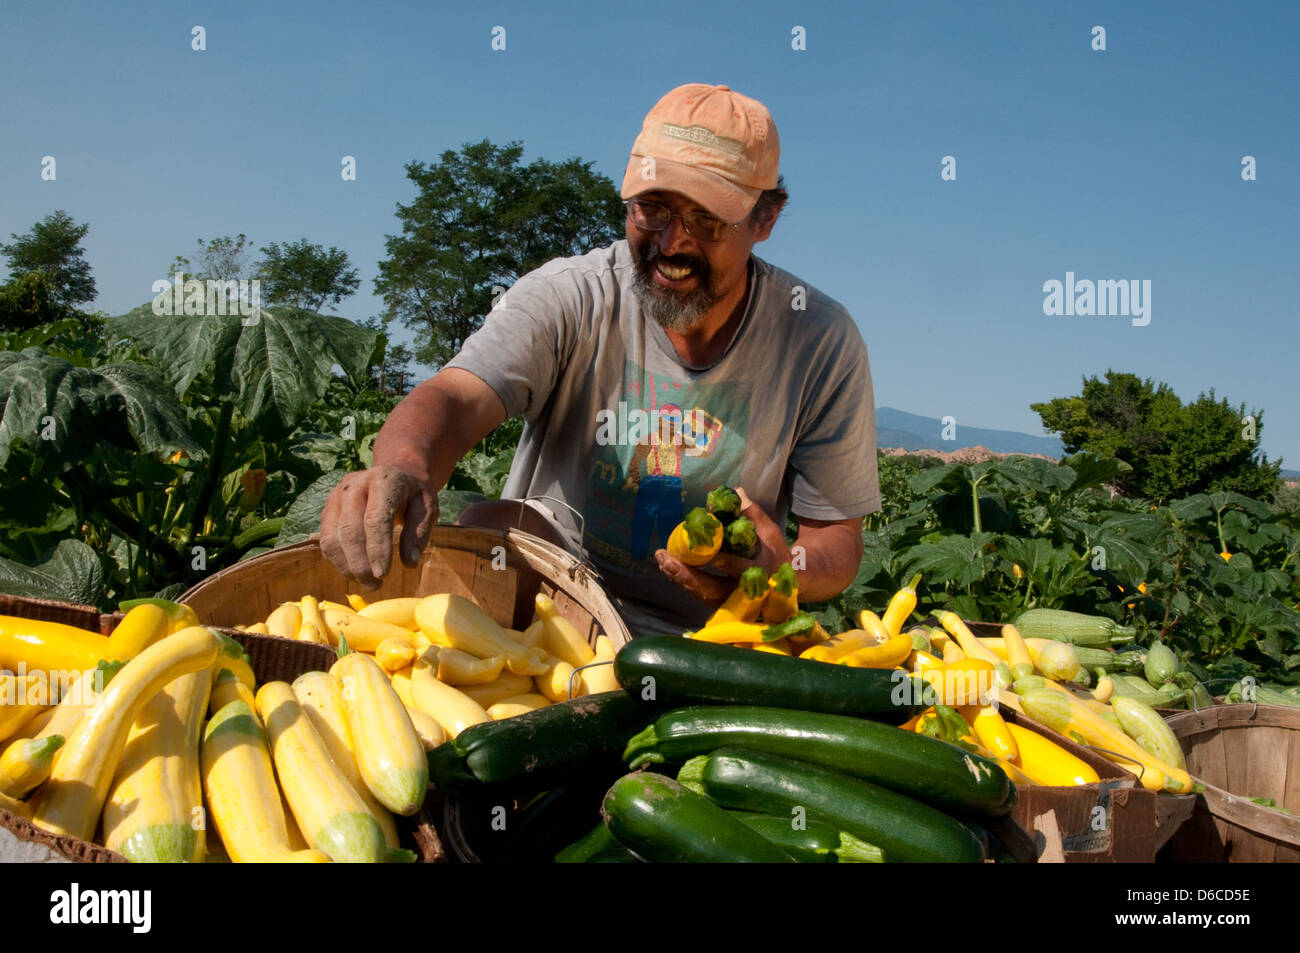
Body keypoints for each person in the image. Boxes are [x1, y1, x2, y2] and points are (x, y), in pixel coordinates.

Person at [318, 83, 881, 636]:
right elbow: (456, 397)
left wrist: (788, 571)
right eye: (652, 209)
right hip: (547, 614)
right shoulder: (572, 294)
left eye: (708, 220)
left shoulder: (819, 341)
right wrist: (407, 465)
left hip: (717, 637)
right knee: (489, 525)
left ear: (765, 220)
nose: (673, 244)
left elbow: (837, 540)